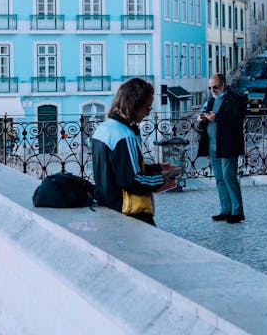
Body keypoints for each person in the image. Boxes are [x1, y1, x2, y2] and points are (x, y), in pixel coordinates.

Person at [91, 78, 180, 226]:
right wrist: (163, 178)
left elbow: (120, 168)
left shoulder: (104, 128)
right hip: (130, 212)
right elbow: (133, 181)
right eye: (148, 108)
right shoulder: (124, 135)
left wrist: (157, 168)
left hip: (108, 205)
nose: (148, 113)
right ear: (136, 105)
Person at [197, 72, 247, 223]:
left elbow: (237, 119)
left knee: (229, 176)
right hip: (213, 143)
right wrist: (202, 119)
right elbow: (206, 114)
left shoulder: (236, 99)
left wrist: (216, 118)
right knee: (219, 178)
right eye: (211, 88)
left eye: (216, 87)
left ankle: (237, 212)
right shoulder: (211, 100)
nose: (213, 90)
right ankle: (226, 210)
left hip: (228, 144)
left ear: (224, 85)